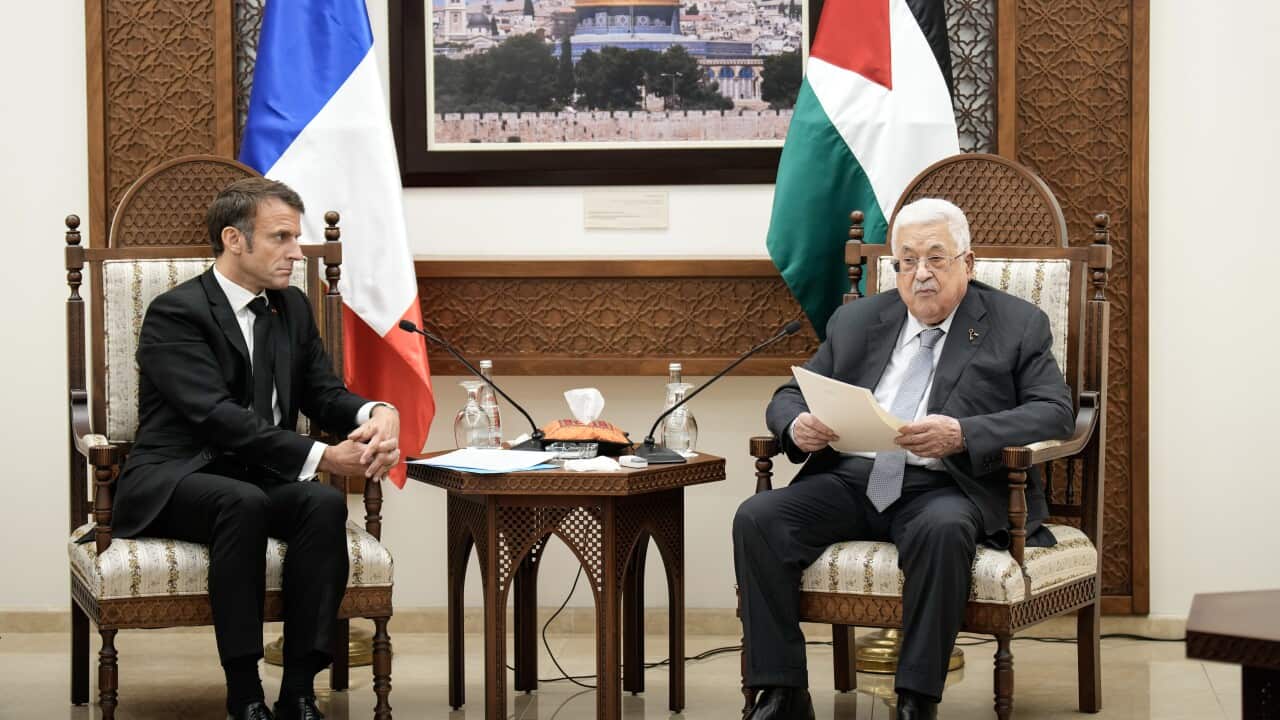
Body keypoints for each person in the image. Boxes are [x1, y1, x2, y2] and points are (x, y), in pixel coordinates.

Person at [733, 198, 1074, 720]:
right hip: (852, 479)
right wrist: (798, 426)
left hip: (946, 487)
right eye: (907, 261)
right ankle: (782, 692)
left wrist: (963, 433)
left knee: (944, 531)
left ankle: (916, 700)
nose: (921, 275)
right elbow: (788, 394)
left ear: (969, 262)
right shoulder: (857, 319)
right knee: (758, 518)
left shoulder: (1017, 323)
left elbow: (1054, 412)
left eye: (936, 258)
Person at [112, 178, 401, 720]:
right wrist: (321, 457)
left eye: (297, 236)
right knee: (239, 502)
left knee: (323, 504)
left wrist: (377, 412)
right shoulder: (175, 313)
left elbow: (324, 392)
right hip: (177, 477)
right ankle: (244, 691)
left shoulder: (290, 306)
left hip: (253, 475)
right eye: (281, 237)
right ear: (234, 240)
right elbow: (218, 418)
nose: (297, 251)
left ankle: (297, 690)